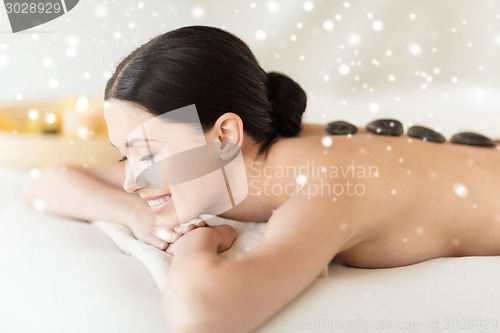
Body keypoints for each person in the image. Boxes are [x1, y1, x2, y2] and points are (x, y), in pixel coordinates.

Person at [24, 25, 500, 333]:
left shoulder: (327, 188)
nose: (131, 181)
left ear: (226, 133)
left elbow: (202, 316)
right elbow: (46, 181)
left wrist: (197, 243)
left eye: (146, 153)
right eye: (124, 156)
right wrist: (139, 219)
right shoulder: (225, 163)